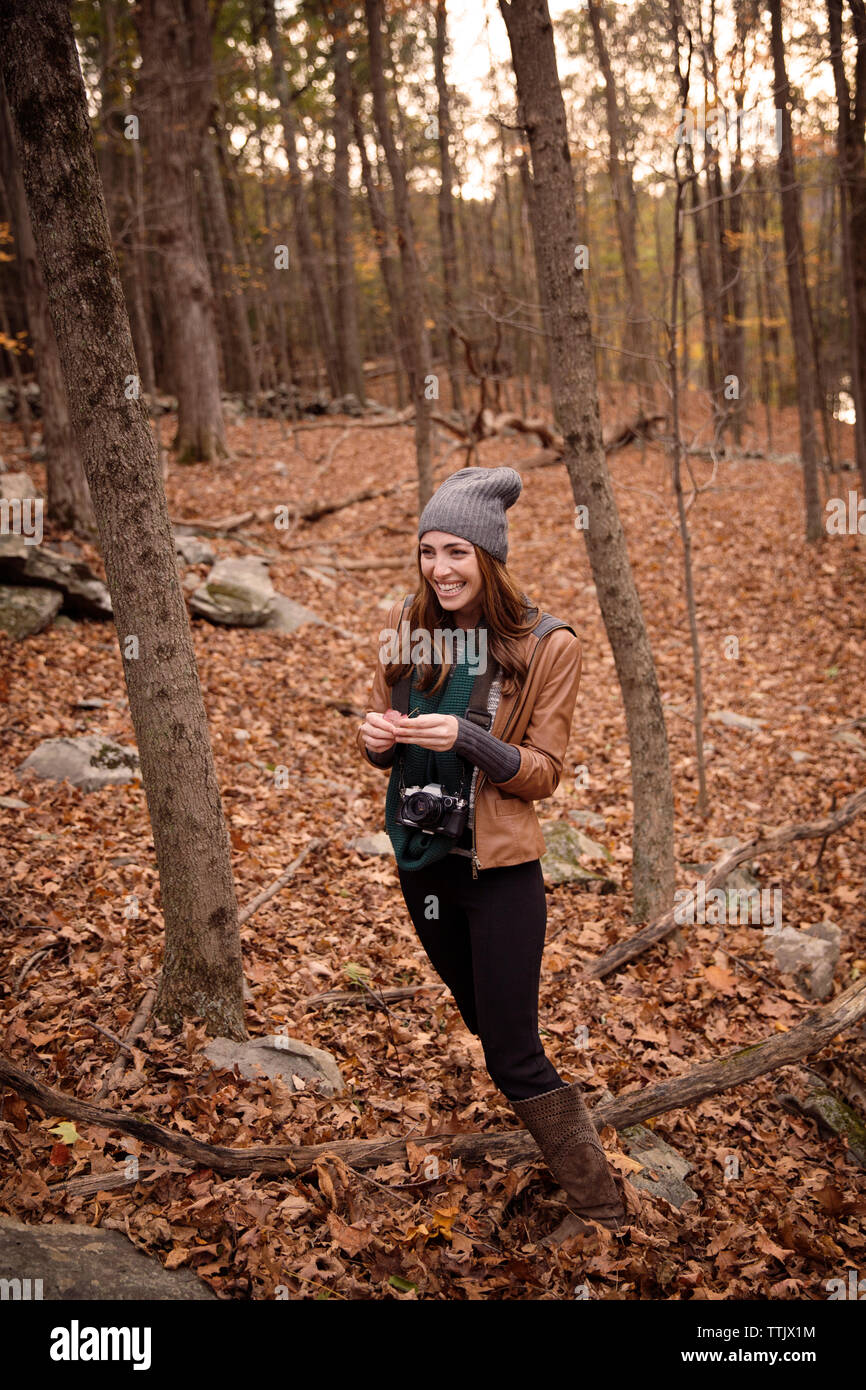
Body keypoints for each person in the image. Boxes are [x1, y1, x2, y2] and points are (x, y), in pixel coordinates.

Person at [356, 465, 626, 1232]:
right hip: (423, 866)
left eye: (457, 553)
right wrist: (378, 742)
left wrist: (471, 738)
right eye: (428, 551)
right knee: (490, 1029)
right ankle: (557, 1138)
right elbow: (399, 746)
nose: (440, 569)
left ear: (489, 558)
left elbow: (542, 774)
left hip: (499, 872)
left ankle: (603, 1209)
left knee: (510, 1053)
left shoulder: (547, 645)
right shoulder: (407, 636)